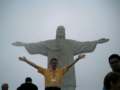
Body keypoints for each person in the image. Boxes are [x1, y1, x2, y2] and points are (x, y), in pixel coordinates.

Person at [18, 54, 85, 90]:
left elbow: (69, 66)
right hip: (48, 89)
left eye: (55, 63)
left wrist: (77, 59)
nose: (54, 64)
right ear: (50, 63)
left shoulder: (60, 71)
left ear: (57, 64)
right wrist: (26, 60)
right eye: (53, 63)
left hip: (57, 89)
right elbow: (35, 66)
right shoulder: (45, 71)